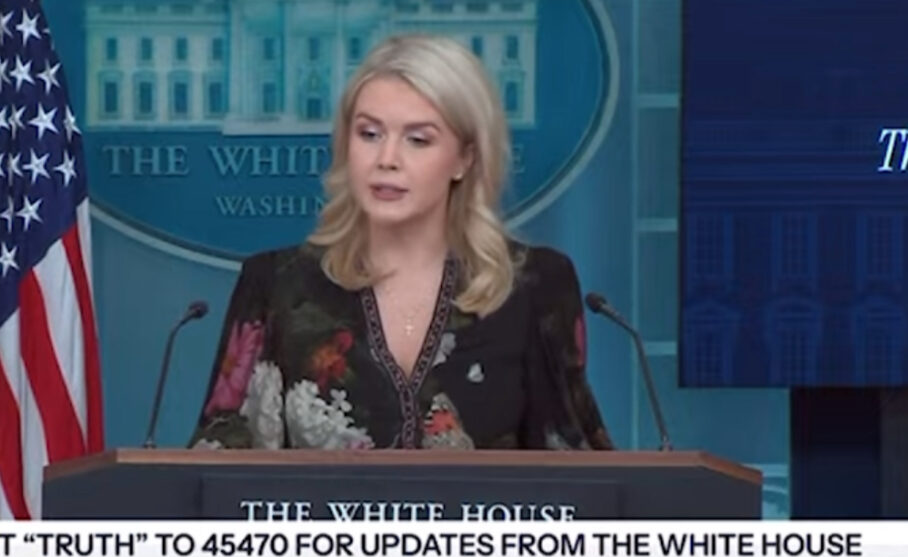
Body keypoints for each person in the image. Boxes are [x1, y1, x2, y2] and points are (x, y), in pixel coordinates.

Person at [188, 34, 613, 451]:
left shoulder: (536, 285)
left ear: (464, 158)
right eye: (369, 134)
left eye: (418, 139)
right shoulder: (275, 284)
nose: (386, 159)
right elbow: (222, 458)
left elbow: (572, 464)